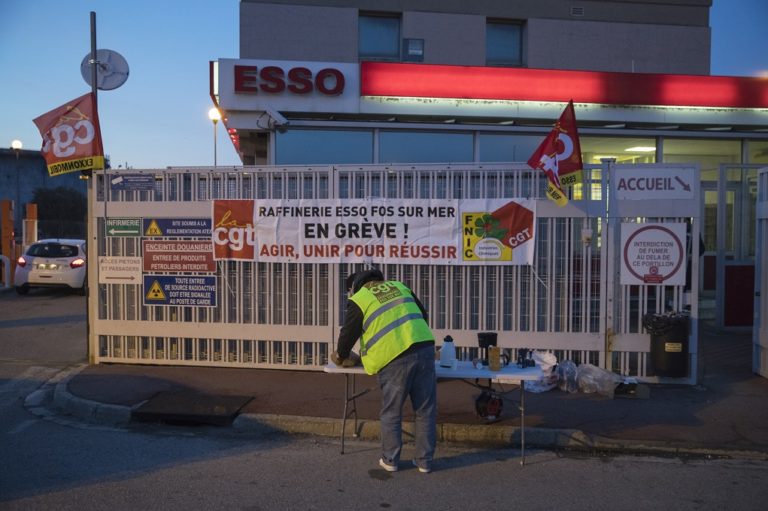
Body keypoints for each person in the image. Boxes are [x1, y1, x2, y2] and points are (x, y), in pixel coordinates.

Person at [332, 269, 437, 474]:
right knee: (425, 410)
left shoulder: (360, 298)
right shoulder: (399, 286)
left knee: (392, 411)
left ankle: (390, 459)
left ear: (354, 287)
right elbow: (422, 315)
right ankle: (424, 462)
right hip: (424, 348)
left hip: (394, 358)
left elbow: (349, 333)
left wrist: (341, 355)